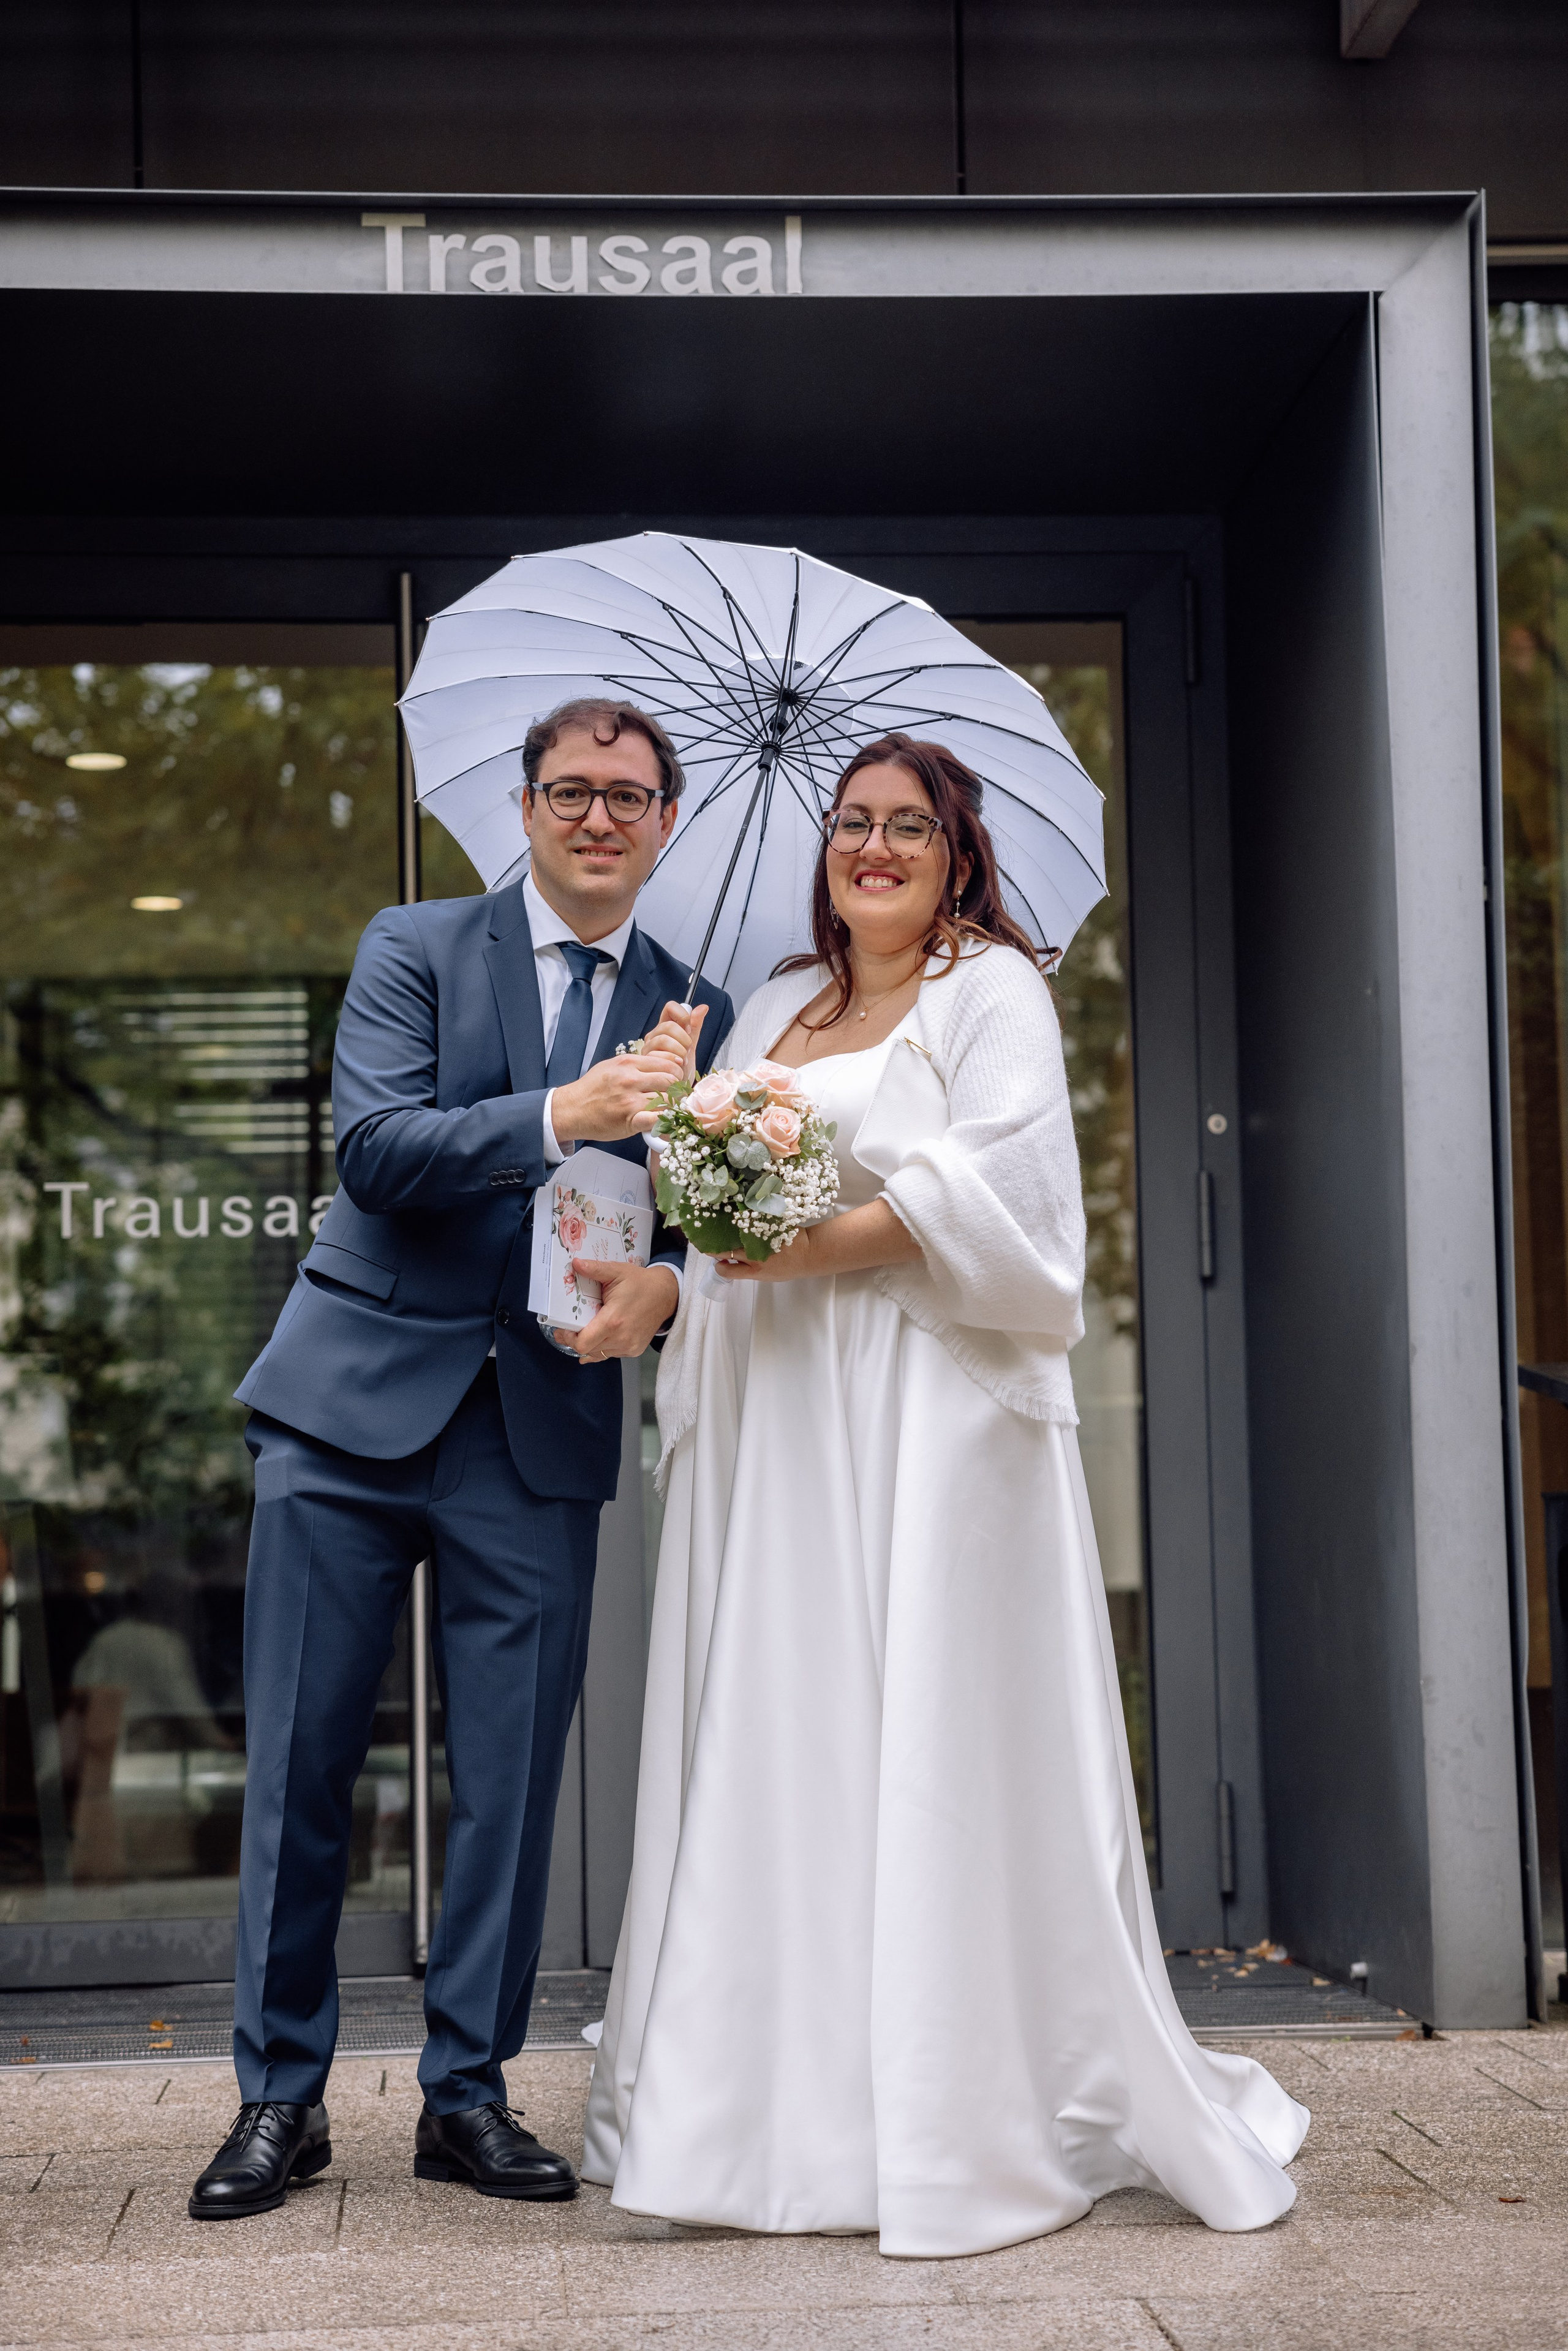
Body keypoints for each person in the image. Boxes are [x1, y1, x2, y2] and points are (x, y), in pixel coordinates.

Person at [583, 733, 1308, 2255]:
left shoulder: (996, 994)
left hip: (931, 1411)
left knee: (927, 1729)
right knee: (793, 1725)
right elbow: (725, 1216)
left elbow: (1014, 1197)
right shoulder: (774, 1004)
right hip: (789, 1413)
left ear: (955, 850)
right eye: (853, 822)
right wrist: (667, 1259)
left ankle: (948, 2105)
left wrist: (809, 1244)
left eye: (908, 825)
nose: (875, 847)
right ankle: (765, 2114)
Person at [189, 698, 731, 2221]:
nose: (600, 817)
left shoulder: (702, 1012)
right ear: (524, 802)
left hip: (539, 1427)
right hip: (349, 1411)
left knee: (508, 1784)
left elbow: (703, 1233)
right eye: (572, 789)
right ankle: (276, 2101)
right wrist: (569, 1108)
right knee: (299, 1764)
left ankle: (465, 2096)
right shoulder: (415, 945)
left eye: (629, 795)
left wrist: (664, 1280)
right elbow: (378, 1149)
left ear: (666, 821)